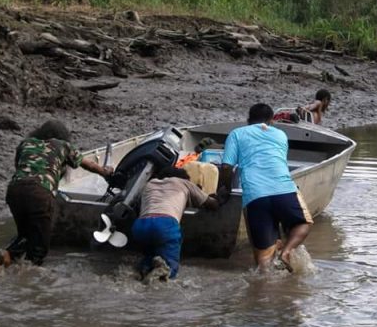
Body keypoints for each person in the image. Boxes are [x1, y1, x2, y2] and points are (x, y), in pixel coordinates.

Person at [0, 119, 113, 267]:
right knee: (41, 245)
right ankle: (30, 275)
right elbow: (88, 164)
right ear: (63, 136)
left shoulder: (26, 143)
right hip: (40, 193)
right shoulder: (63, 146)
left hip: (14, 191)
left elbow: (20, 166)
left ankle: (7, 256)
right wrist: (105, 172)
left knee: (25, 234)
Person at [218, 103, 313, 272]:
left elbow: (226, 167)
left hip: (255, 196)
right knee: (303, 224)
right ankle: (287, 251)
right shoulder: (280, 135)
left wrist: (224, 189)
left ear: (248, 120)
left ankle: (263, 288)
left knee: (263, 262)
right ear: (271, 121)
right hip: (284, 189)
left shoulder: (237, 134)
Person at [132, 166, 220, 281]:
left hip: (140, 226)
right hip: (165, 224)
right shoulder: (184, 183)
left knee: (147, 261)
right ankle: (162, 280)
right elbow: (212, 204)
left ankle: (143, 274)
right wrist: (219, 197)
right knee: (168, 271)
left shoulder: (150, 184)